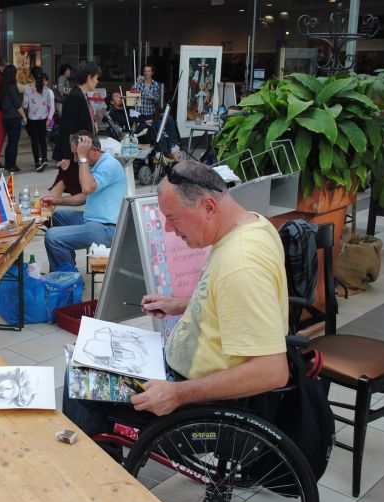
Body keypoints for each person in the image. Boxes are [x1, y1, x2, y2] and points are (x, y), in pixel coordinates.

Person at [62, 161, 290, 436]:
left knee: (79, 378)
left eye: (173, 218)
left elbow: (272, 371)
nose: (168, 229)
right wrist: (181, 304)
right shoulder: (251, 224)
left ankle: (94, 461)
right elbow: (231, 302)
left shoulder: (240, 263)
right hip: (180, 366)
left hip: (196, 395)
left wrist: (177, 394)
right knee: (85, 356)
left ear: (208, 207)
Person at [42, 130, 126, 271]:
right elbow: (83, 197)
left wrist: (82, 158)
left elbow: (87, 188)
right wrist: (56, 200)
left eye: (77, 154)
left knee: (53, 237)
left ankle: (67, 278)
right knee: (57, 217)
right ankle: (68, 268)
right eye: (75, 154)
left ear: (93, 150)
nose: (75, 159)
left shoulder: (109, 165)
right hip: (94, 221)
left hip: (108, 228)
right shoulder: (97, 165)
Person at [51, 61, 102, 198]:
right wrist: (66, 156)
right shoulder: (75, 97)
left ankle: (46, 208)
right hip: (74, 153)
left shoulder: (81, 95)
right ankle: (45, 208)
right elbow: (67, 128)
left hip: (79, 152)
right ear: (89, 78)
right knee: (66, 185)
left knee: (62, 184)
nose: (97, 81)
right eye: (96, 78)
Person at [23, 67, 55, 172]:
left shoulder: (27, 90)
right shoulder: (46, 90)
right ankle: (44, 159)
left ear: (32, 76)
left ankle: (37, 162)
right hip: (43, 118)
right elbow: (50, 105)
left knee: (34, 141)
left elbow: (25, 105)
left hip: (32, 119)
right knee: (42, 140)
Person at [0, 64, 28, 173]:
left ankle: (8, 164)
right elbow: (17, 104)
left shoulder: (3, 87)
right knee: (14, 142)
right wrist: (24, 116)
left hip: (6, 118)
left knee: (10, 142)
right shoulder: (12, 87)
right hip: (14, 117)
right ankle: (12, 165)